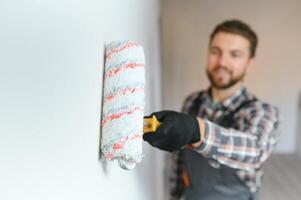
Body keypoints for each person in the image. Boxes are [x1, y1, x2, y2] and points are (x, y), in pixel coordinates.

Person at [143, 19, 281, 200]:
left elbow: (254, 151)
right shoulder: (192, 102)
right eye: (216, 52)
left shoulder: (262, 112)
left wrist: (196, 130)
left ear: (249, 63)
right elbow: (179, 163)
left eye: (235, 54)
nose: (222, 62)